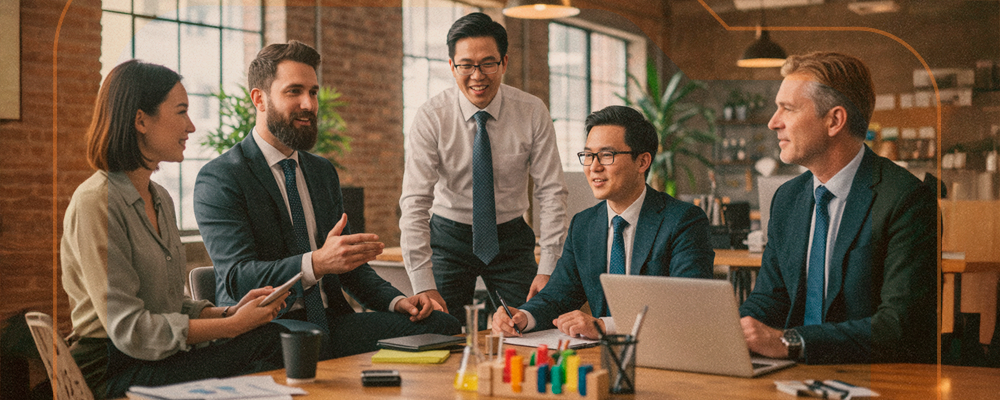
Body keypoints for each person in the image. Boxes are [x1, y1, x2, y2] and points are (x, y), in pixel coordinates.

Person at [193, 40, 459, 360]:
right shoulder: (221, 178)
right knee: (309, 343)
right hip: (266, 327)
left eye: (314, 92)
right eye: (294, 91)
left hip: (333, 322)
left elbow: (348, 268)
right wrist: (316, 263)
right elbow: (238, 278)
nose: (309, 104)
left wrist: (397, 301)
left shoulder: (321, 172)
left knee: (443, 326)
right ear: (259, 99)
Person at [61, 60, 289, 399]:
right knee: (267, 344)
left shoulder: (160, 198)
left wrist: (231, 311)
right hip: (112, 368)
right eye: (181, 111)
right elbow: (130, 329)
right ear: (141, 120)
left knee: (269, 336)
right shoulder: (97, 202)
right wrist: (229, 327)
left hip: (156, 358)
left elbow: (170, 304)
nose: (192, 126)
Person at [739, 52, 937, 364]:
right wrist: (735, 331)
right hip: (791, 374)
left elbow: (897, 325)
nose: (773, 122)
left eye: (787, 109)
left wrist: (790, 341)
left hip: (876, 379)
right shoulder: (787, 198)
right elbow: (771, 296)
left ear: (834, 120)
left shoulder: (905, 198)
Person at [399, 12, 568, 326]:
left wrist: (548, 267)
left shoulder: (532, 112)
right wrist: (423, 283)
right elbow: (415, 202)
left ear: (504, 63)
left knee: (531, 324)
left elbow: (552, 192)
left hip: (511, 236)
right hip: (449, 237)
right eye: (466, 65)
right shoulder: (432, 116)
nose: (477, 75)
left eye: (488, 63)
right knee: (437, 329)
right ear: (452, 67)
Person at [492, 106, 715, 339]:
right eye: (588, 155)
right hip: (599, 357)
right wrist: (522, 317)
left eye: (607, 155)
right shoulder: (584, 224)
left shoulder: (684, 221)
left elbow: (688, 307)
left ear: (642, 162)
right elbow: (558, 295)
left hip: (663, 350)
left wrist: (603, 326)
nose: (594, 167)